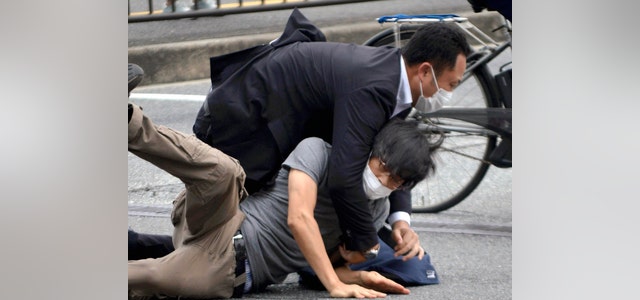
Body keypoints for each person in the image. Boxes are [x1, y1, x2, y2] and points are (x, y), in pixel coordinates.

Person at [191, 9, 471, 261]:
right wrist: (367, 246)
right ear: (424, 71)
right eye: (450, 84)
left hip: (264, 120)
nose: (448, 94)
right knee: (215, 240)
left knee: (220, 246)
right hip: (236, 120)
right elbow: (343, 178)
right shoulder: (374, 89)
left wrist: (400, 222)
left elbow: (394, 153)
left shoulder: (395, 80)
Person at [127, 88, 442, 300]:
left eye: (396, 180)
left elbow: (318, 269)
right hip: (222, 219)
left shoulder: (374, 212)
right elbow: (299, 217)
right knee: (224, 171)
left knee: (151, 277)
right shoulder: (318, 152)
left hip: (229, 270)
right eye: (383, 167)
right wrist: (336, 284)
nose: (383, 180)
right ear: (372, 150)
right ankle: (127, 120)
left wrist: (358, 272)